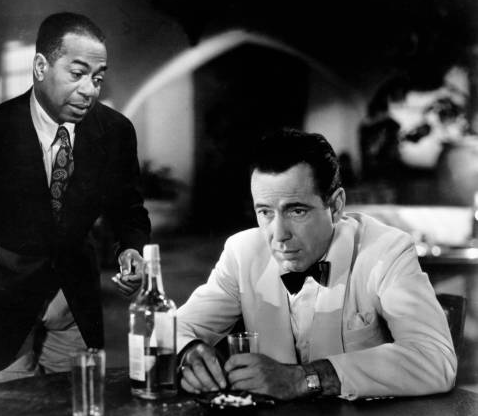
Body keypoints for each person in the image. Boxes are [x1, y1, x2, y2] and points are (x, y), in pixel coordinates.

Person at [0, 12, 150, 396]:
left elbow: (129, 209)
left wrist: (131, 248)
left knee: (77, 409)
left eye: (98, 78)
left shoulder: (115, 132)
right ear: (40, 67)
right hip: (1, 305)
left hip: (73, 304)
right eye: (77, 74)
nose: (90, 90)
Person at [177, 128, 456, 400]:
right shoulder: (242, 253)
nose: (279, 235)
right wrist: (189, 353)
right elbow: (174, 329)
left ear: (335, 207)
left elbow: (435, 359)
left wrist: (304, 378)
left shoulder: (386, 251)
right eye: (265, 212)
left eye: (297, 211)